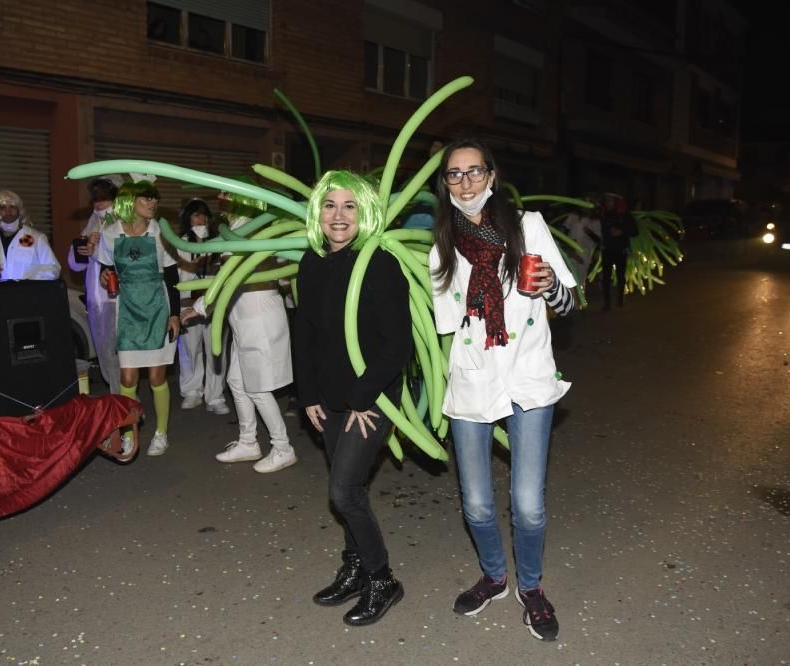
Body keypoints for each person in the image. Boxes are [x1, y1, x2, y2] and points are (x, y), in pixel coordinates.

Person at [430, 138, 576, 642]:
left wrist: (549, 287)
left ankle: (530, 587)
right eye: (455, 174)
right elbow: (447, 323)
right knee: (475, 502)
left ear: (492, 176)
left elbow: (570, 301)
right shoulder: (442, 247)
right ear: (446, 184)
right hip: (473, 377)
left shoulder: (527, 226)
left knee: (528, 503)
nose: (466, 182)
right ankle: (495, 576)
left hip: (529, 377)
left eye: (475, 171)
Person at [294, 171, 411, 626]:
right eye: (329, 205)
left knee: (343, 491)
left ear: (363, 212)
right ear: (317, 213)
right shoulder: (311, 262)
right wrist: (307, 394)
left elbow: (397, 345)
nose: (338, 216)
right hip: (329, 398)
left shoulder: (379, 263)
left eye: (348, 206)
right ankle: (356, 565)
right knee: (351, 490)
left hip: (372, 396)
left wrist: (365, 397)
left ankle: (383, 580)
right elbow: (304, 334)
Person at [186, 190, 296, 474]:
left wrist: (200, 307)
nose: (220, 200)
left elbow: (230, 278)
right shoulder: (235, 229)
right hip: (243, 318)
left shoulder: (254, 231)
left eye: (226, 195)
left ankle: (283, 447)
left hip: (259, 319)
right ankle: (249, 441)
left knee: (258, 388)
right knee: (236, 380)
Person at [96, 179, 180, 457]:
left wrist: (175, 314)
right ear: (129, 201)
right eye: (146, 199)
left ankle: (162, 433)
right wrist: (104, 275)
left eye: (155, 198)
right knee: (128, 378)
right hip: (128, 310)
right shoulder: (110, 233)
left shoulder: (161, 231)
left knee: (157, 377)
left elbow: (171, 276)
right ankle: (128, 432)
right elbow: (106, 268)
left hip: (158, 308)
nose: (153, 203)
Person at [174, 199, 229, 414]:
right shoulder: (179, 243)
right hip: (188, 302)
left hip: (214, 303)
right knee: (189, 349)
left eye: (204, 215)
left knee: (216, 349)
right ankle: (191, 391)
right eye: (196, 215)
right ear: (188, 218)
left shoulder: (218, 243)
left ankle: (215, 396)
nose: (201, 219)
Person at [68, 177, 121, 393]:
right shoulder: (93, 222)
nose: (98, 203)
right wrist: (83, 249)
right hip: (95, 298)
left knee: (116, 351)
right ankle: (118, 397)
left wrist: (98, 248)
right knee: (103, 350)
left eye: (104, 198)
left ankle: (123, 400)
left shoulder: (122, 222)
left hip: (115, 296)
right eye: (95, 198)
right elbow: (75, 264)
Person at [0, 190, 60, 283]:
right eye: (2, 207)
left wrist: (28, 280)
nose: (8, 211)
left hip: (29, 295)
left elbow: (53, 269)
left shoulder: (37, 238)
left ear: (20, 210)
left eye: (12, 207)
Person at [599, 194, 635, 310]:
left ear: (616, 202)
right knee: (606, 278)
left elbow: (635, 230)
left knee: (620, 276)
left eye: (610, 200)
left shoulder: (624, 215)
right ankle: (607, 303)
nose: (607, 202)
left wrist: (621, 231)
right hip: (607, 250)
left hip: (620, 250)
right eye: (606, 200)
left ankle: (620, 298)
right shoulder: (603, 214)